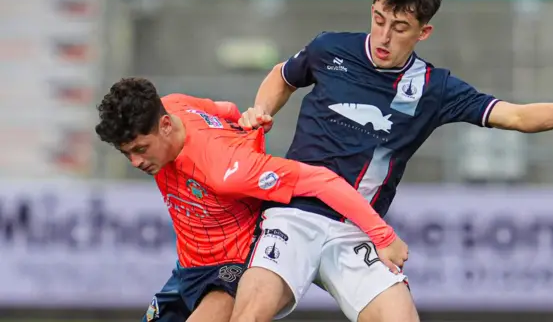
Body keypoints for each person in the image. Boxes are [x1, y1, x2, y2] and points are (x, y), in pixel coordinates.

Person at [232, 0, 553, 322]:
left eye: (400, 28)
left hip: (359, 230)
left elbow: (513, 116)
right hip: (294, 215)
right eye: (379, 20)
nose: (384, 36)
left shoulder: (435, 87)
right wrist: (261, 110)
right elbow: (282, 77)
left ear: (423, 32)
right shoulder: (329, 48)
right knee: (251, 312)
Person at [94, 77, 409, 322]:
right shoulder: (172, 105)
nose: (136, 163)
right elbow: (226, 110)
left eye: (140, 149)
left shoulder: (227, 169)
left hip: (230, 270)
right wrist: (250, 121)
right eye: (127, 154)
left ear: (164, 126)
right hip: (188, 268)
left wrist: (383, 235)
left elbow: (319, 180)